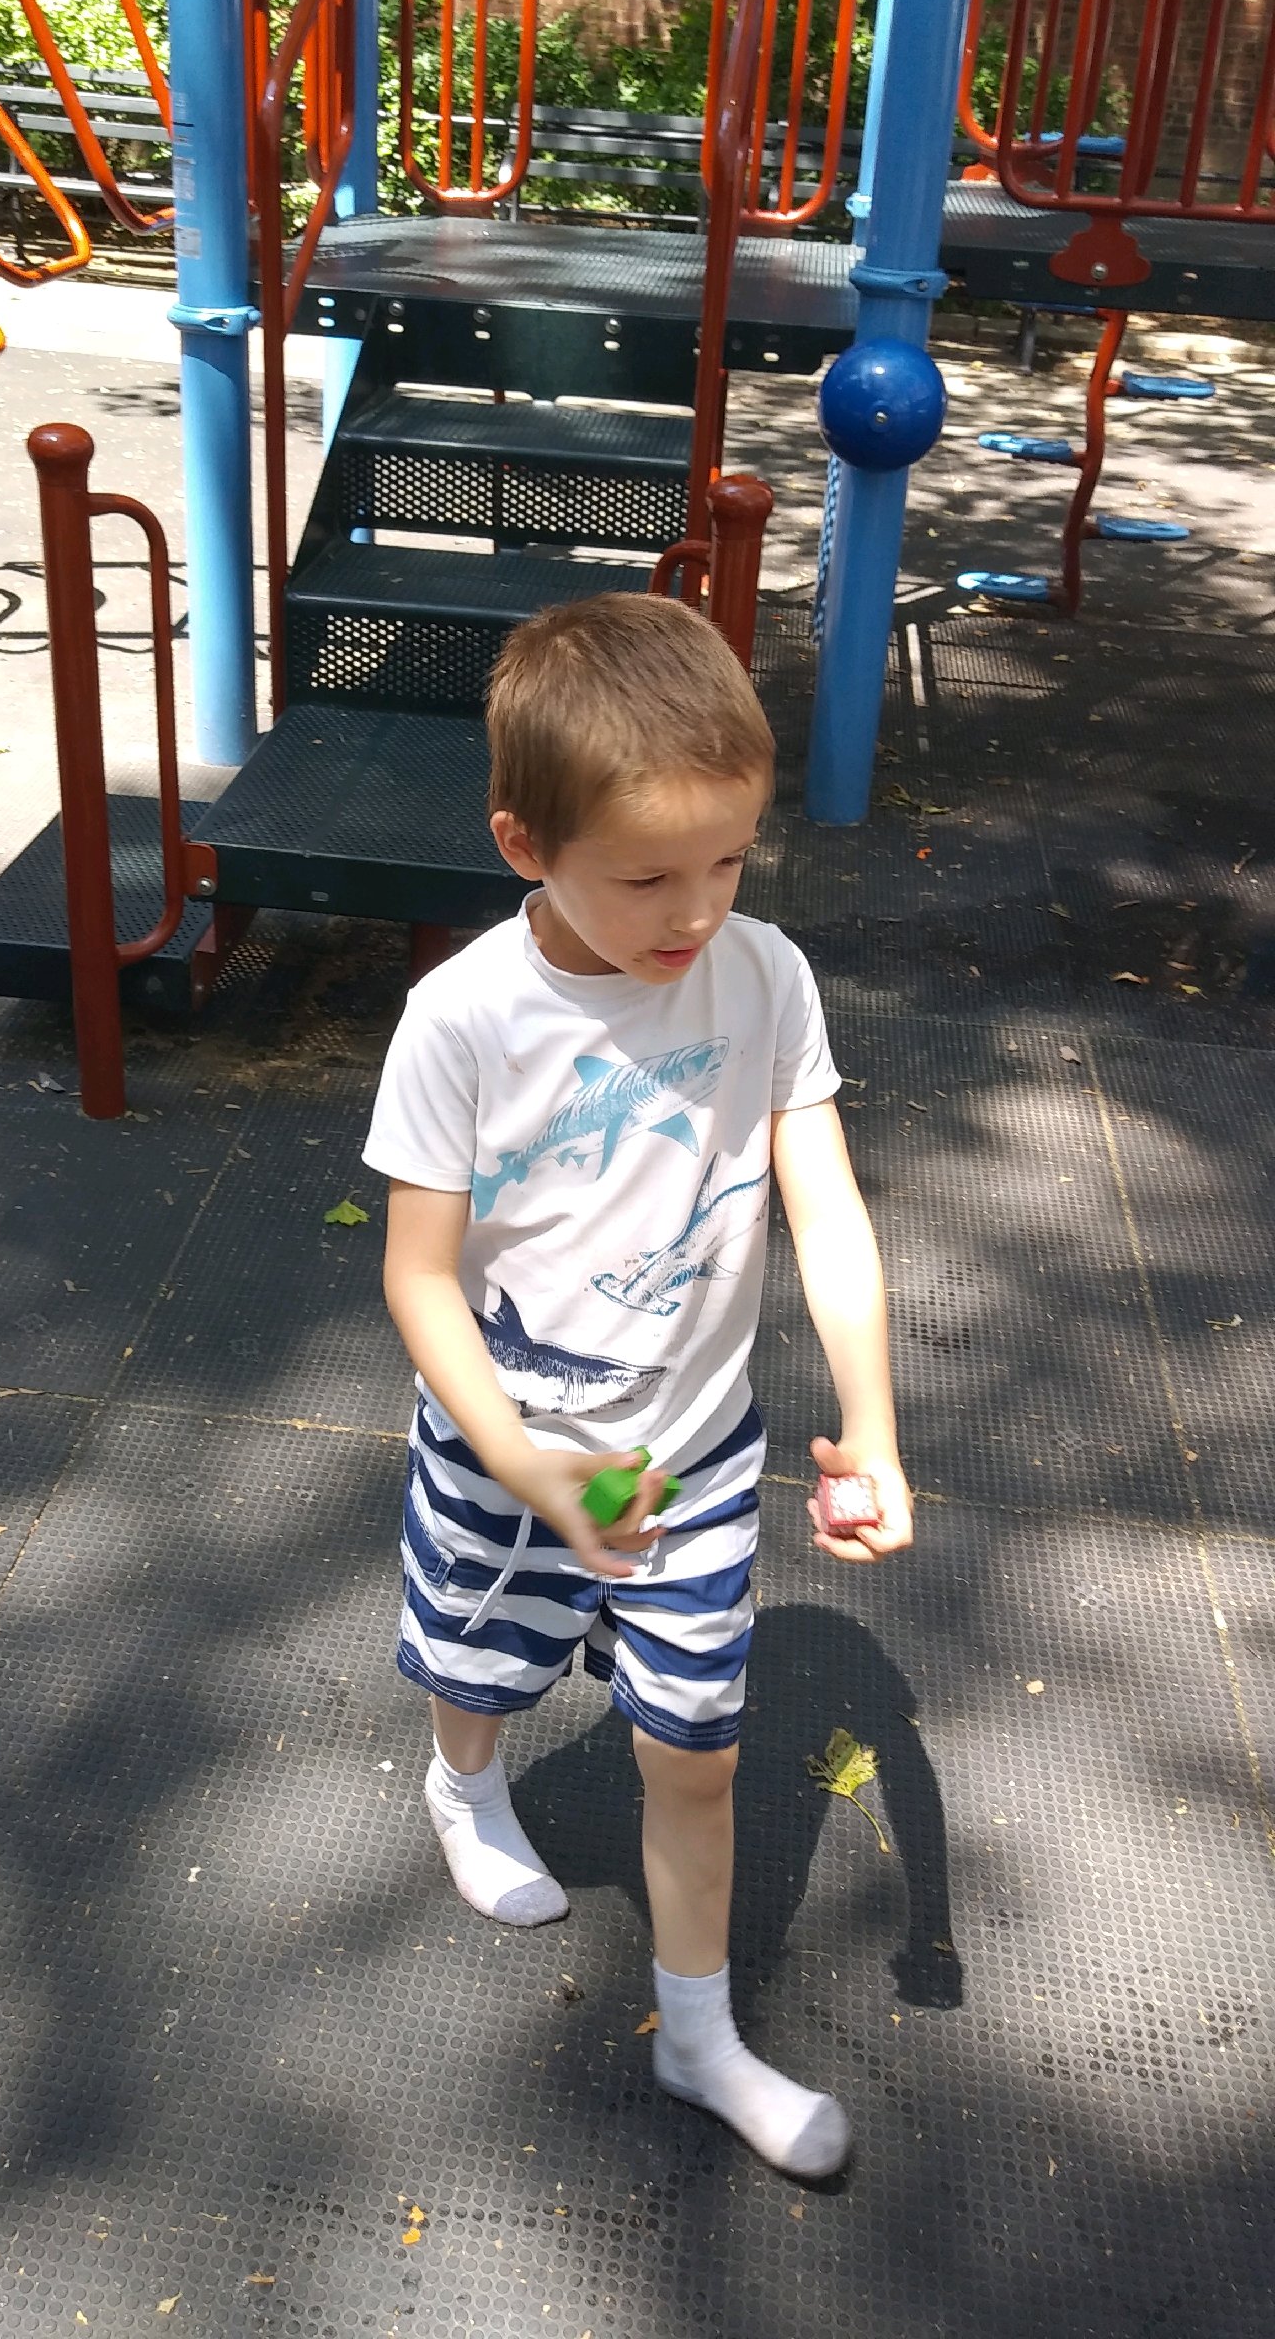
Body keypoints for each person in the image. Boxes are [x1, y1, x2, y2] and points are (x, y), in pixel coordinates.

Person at [362, 592, 913, 2180]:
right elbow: (417, 1276)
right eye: (650, 876)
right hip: (518, 1438)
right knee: (482, 1665)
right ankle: (463, 1785)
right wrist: (520, 1461)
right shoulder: (466, 1019)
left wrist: (874, 1424)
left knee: (698, 1753)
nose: (698, 910)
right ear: (525, 844)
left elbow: (827, 1207)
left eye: (731, 860)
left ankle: (697, 2032)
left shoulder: (764, 977)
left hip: (693, 1449)